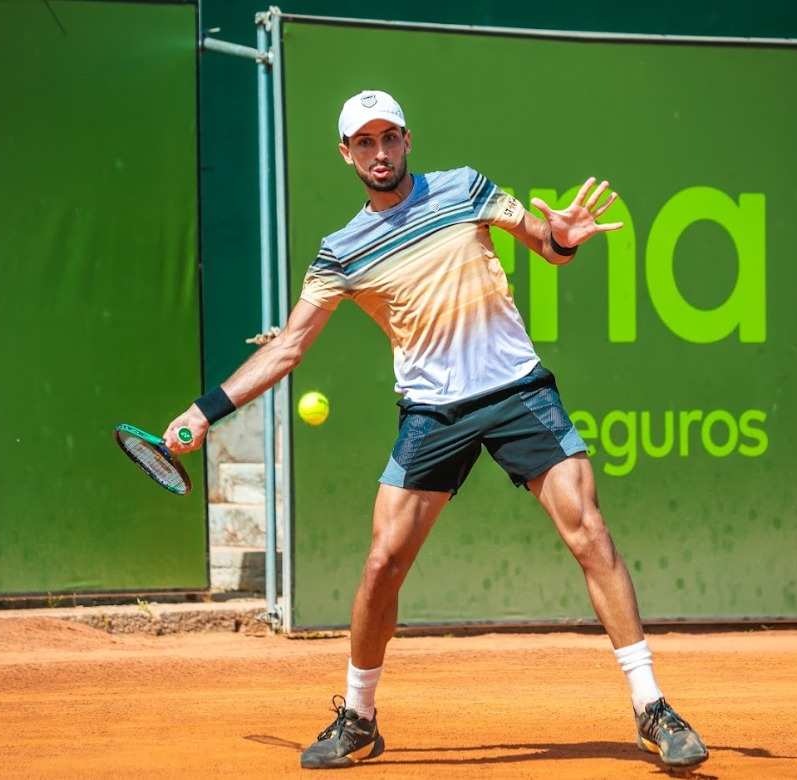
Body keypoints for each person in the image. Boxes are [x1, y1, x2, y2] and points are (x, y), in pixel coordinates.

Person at [162, 90, 709, 770]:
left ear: (407, 139)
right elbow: (287, 348)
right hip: (432, 412)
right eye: (364, 142)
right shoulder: (341, 253)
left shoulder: (465, 189)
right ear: (346, 154)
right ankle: (359, 718)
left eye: (389, 137)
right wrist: (204, 411)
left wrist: (562, 237)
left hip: (517, 392)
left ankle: (651, 707)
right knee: (381, 565)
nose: (380, 152)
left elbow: (548, 247)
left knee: (589, 530)